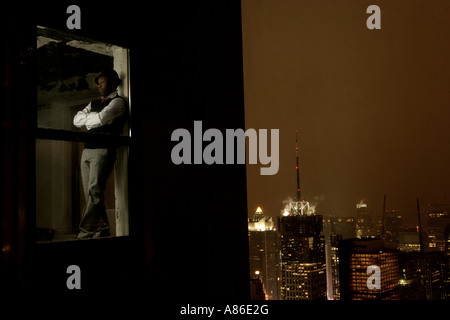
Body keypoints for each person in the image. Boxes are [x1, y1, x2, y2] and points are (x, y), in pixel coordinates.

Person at [73, 69, 127, 239]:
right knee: (90, 193)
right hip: (87, 150)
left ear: (113, 83)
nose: (99, 86)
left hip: (103, 150)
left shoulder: (119, 102)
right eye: (98, 83)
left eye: (102, 82)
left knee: (95, 191)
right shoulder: (94, 102)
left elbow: (102, 119)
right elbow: (76, 120)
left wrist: (90, 120)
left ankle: (86, 231)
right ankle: (102, 228)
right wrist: (93, 119)